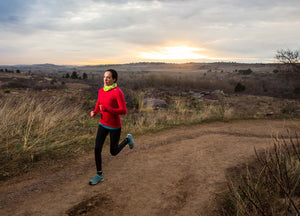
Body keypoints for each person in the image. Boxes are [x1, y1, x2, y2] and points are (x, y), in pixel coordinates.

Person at [89, 69, 134, 185]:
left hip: (114, 126)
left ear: (114, 79)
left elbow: (124, 110)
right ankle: (99, 174)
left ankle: (127, 139)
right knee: (97, 148)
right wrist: (94, 112)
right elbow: (99, 105)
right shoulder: (101, 91)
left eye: (108, 77)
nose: (105, 79)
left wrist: (108, 109)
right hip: (102, 124)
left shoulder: (117, 92)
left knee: (113, 152)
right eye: (104, 77)